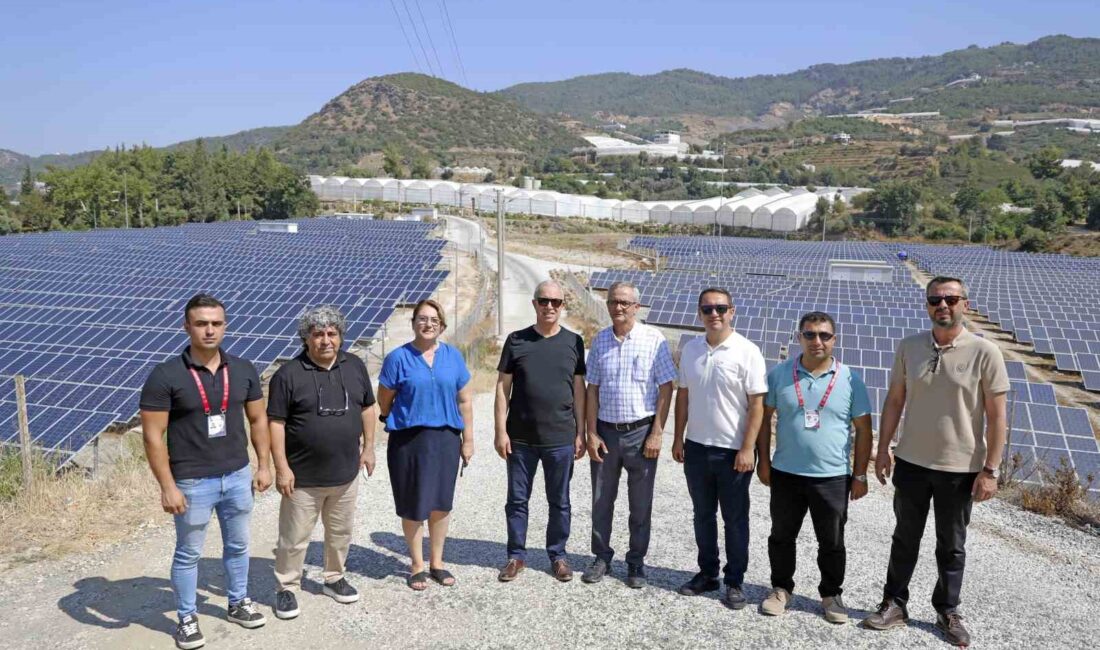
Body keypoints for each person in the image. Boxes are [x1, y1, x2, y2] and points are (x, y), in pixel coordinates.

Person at [864, 277, 1009, 647]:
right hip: (911, 461)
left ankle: (947, 610)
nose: (942, 305)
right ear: (927, 305)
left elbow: (997, 416)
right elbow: (895, 399)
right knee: (904, 538)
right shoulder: (909, 346)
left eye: (950, 299)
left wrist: (991, 469)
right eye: (935, 299)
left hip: (960, 468)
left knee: (952, 545)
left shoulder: (984, 351)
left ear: (965, 304)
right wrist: (884, 448)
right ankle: (894, 603)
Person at [139, 294, 272, 650]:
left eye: (216, 323)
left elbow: (258, 420)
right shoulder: (166, 374)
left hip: (238, 475)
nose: (209, 330)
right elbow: (153, 436)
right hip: (192, 481)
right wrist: (167, 486)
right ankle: (186, 617)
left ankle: (238, 602)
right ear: (187, 327)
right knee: (188, 553)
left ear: (225, 326)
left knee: (239, 545)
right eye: (201, 323)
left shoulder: (243, 369)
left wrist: (263, 464)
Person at [756, 311, 873, 624]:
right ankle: (781, 589)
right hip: (786, 474)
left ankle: (831, 595)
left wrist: (860, 475)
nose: (817, 341)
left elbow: (864, 429)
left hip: (832, 477)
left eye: (824, 335)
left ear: (834, 340)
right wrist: (763, 462)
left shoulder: (851, 379)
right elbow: (763, 421)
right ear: (799, 337)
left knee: (832, 541)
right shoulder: (780, 374)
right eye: (810, 334)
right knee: (781, 536)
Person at [268, 306, 378, 620]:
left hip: (346, 474)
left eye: (332, 333)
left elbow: (368, 409)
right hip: (302, 478)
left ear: (341, 337)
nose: (326, 340)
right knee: (293, 538)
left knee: (340, 532)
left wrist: (369, 448)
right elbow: (275, 423)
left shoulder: (354, 366)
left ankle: (334, 577)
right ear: (306, 339)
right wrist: (281, 467)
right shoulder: (288, 374)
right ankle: (286, 587)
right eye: (318, 334)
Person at [672, 287, 767, 609]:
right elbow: (683, 395)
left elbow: (757, 405)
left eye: (721, 308)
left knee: (735, 519)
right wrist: (677, 437)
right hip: (697, 447)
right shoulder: (690, 349)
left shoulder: (747, 351)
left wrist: (747, 449)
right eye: (708, 309)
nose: (715, 314)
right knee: (702, 515)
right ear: (699, 312)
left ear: (732, 311)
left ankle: (735, 581)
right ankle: (707, 573)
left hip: (732, 452)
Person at [582, 281, 677, 589]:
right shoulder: (600, 341)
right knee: (601, 501)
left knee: (640, 503)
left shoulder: (654, 339)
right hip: (606, 433)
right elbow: (592, 390)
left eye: (624, 302)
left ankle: (636, 561)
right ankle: (601, 556)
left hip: (641, 432)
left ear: (637, 307)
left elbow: (666, 387)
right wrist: (591, 433)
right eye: (613, 302)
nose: (618, 307)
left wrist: (657, 433)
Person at [377, 299, 474, 591]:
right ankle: (417, 565)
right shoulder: (397, 358)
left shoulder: (453, 357)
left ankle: (437, 563)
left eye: (433, 319)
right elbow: (385, 398)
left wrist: (468, 440)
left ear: (441, 325)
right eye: (422, 318)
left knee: (441, 503)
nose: (428, 324)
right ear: (414, 323)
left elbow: (465, 400)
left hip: (446, 438)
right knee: (413, 501)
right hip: (409, 439)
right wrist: (390, 416)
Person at [494, 280, 587, 583]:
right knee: (517, 500)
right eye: (544, 301)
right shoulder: (516, 340)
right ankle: (515, 556)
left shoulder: (574, 342)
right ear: (534, 304)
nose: (549, 306)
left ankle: (557, 555)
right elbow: (501, 388)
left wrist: (581, 432)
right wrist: (500, 431)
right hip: (520, 438)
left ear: (562, 306)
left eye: (556, 302)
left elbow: (579, 390)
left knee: (559, 501)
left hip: (560, 438)